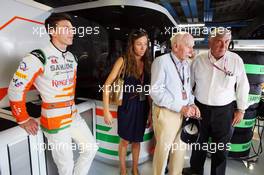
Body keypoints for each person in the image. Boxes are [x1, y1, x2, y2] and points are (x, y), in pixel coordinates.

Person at [8, 13, 98, 175]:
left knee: (91, 148)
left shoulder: (72, 57)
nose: (72, 32)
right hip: (53, 119)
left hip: (73, 115)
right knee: (66, 166)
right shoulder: (38, 57)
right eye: (66, 28)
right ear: (52, 31)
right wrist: (23, 119)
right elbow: (15, 89)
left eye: (72, 28)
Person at [183, 28, 250, 175]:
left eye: (227, 42)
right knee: (198, 143)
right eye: (219, 42)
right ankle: (195, 170)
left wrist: (241, 109)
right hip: (200, 109)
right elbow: (189, 84)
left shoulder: (235, 60)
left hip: (225, 111)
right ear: (210, 42)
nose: (223, 46)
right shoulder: (198, 60)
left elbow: (243, 86)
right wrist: (189, 103)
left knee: (220, 148)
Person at [150, 32, 200, 175]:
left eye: (193, 47)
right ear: (176, 46)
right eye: (188, 46)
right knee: (163, 151)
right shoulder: (161, 62)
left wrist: (192, 104)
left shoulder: (186, 64)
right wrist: (180, 107)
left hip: (184, 114)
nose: (192, 51)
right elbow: (156, 92)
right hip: (167, 114)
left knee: (179, 152)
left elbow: (187, 89)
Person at [103, 29, 152, 175]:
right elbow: (107, 85)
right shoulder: (123, 61)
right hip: (127, 106)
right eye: (139, 44)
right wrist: (106, 110)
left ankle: (135, 169)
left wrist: (150, 112)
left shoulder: (148, 63)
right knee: (124, 141)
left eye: (145, 44)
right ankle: (123, 169)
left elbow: (148, 91)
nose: (143, 48)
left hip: (142, 106)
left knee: (137, 141)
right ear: (132, 45)